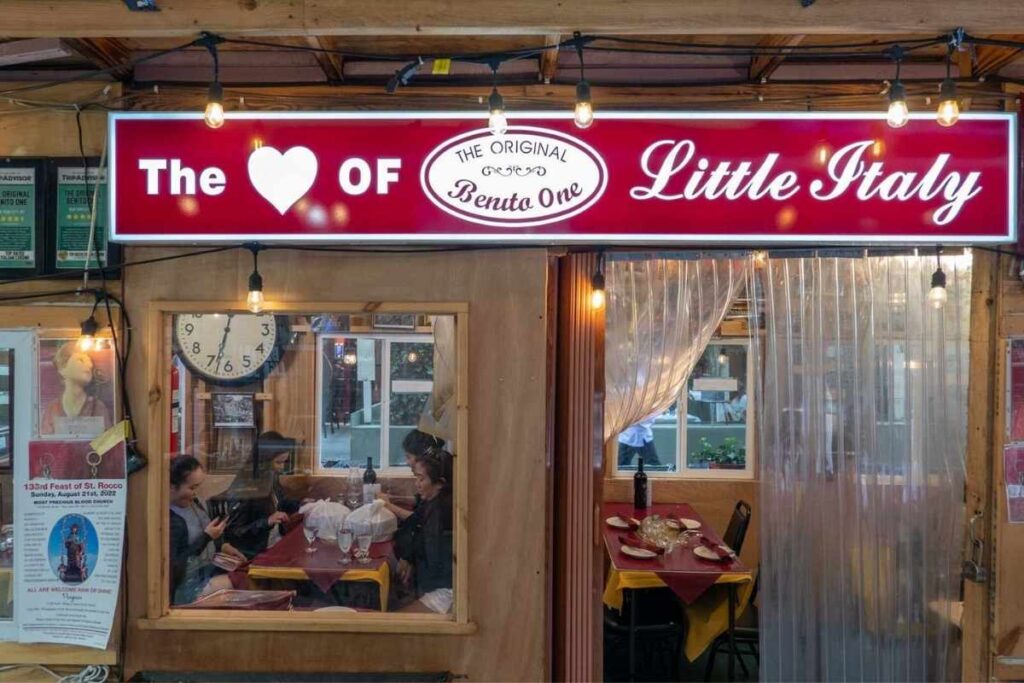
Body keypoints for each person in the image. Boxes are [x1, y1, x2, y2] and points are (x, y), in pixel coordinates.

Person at [169, 455, 244, 605]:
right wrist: (206, 537)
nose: (196, 493)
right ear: (171, 486)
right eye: (192, 488)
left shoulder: (193, 503)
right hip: (184, 588)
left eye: (198, 487)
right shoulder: (170, 520)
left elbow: (206, 530)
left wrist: (223, 546)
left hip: (205, 572)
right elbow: (176, 567)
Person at [392, 448, 454, 614]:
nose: (416, 484)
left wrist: (409, 560)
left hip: (448, 592)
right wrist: (408, 558)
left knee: (392, 624)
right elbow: (414, 523)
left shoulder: (443, 511)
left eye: (421, 479)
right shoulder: (431, 501)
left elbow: (436, 560)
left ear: (440, 483)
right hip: (435, 583)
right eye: (416, 478)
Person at [224, 431, 300, 558]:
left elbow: (281, 501)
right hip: (255, 551)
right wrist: (267, 522)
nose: (281, 468)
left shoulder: (270, 475)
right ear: (263, 460)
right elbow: (234, 532)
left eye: (284, 462)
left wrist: (303, 504)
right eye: (278, 462)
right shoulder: (243, 486)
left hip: (275, 541)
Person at [40, 342, 112, 435]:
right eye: (80, 360)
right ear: (62, 368)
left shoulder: (98, 407)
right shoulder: (52, 410)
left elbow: (108, 444)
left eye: (89, 361)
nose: (89, 365)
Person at [377, 429, 446, 522]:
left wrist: (388, 505)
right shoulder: (431, 476)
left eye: (409, 457)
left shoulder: (438, 486)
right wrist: (394, 499)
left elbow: (419, 520)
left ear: (421, 457)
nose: (407, 462)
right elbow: (421, 504)